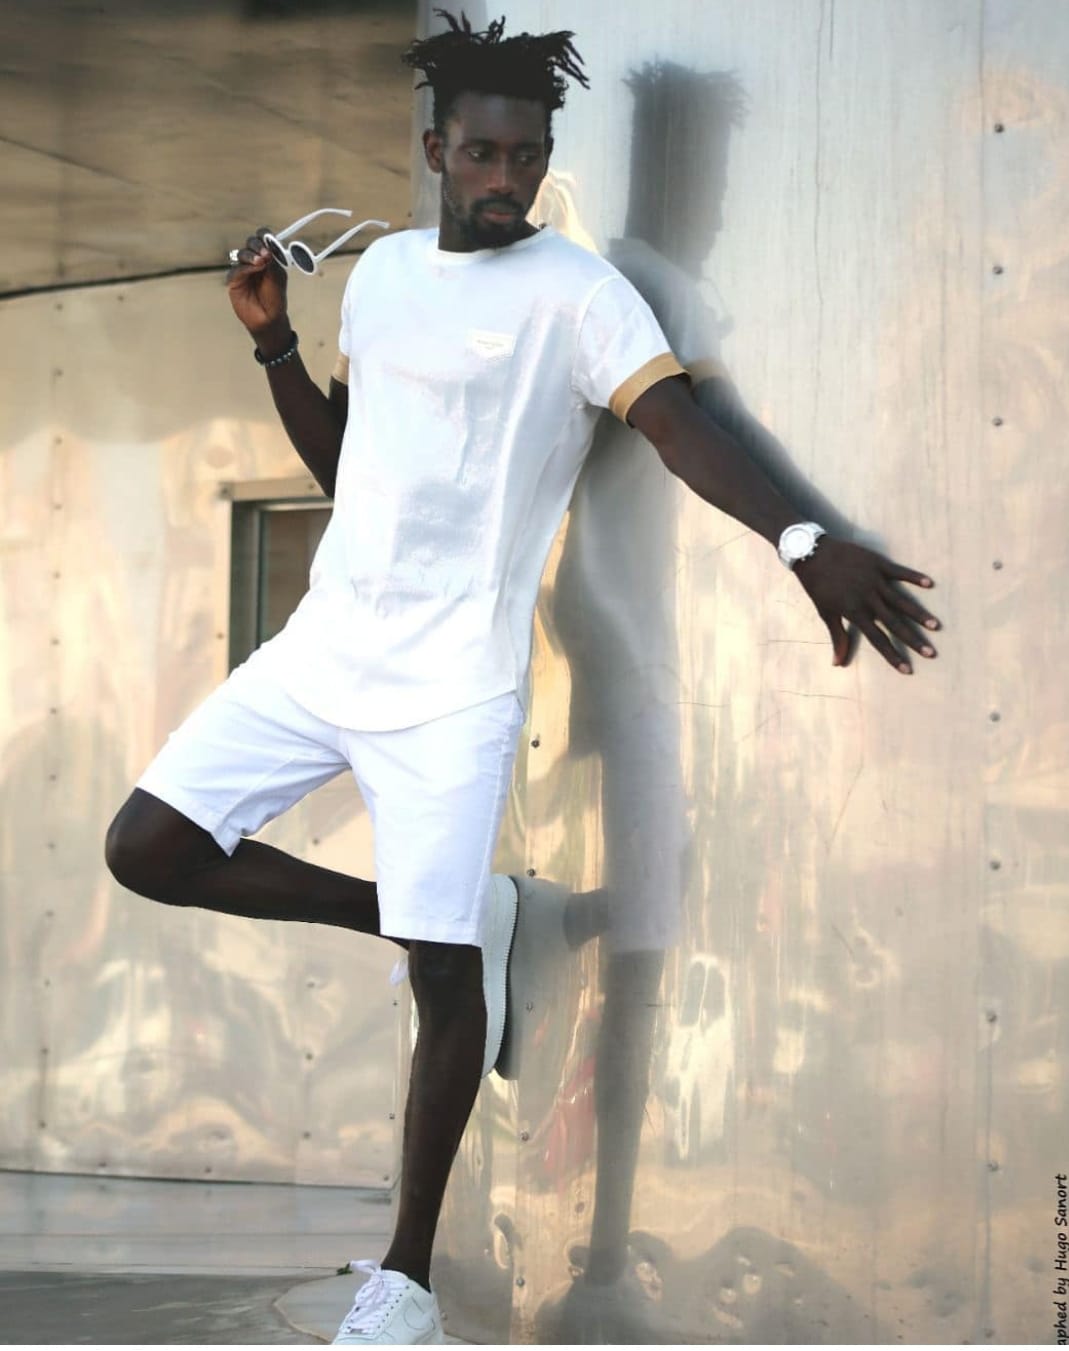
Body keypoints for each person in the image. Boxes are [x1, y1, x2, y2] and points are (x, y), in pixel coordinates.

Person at [104, 10, 942, 1344]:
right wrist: (272, 344)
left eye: (529, 157)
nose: (508, 179)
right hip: (323, 649)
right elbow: (351, 473)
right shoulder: (381, 276)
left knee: (449, 985)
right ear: (437, 148)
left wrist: (801, 539)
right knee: (148, 848)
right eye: (486, 154)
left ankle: (404, 1283)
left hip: (453, 683)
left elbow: (677, 429)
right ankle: (445, 915)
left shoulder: (579, 295)